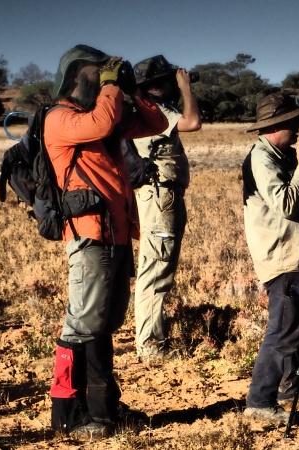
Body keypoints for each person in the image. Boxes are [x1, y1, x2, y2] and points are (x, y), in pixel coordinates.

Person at [45, 44, 168, 440]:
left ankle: (103, 408)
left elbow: (156, 122)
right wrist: (113, 87)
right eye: (98, 73)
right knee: (83, 325)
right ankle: (70, 413)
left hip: (115, 236)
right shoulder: (60, 118)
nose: (104, 79)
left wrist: (131, 90)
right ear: (79, 74)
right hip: (88, 237)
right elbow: (99, 125)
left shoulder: (106, 112)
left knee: (104, 323)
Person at [241, 92, 299, 425]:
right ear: (277, 125)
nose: (298, 130)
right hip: (282, 259)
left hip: (298, 255)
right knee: (283, 333)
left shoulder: (279, 152)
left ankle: (288, 389)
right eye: (294, 123)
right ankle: (260, 401)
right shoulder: (262, 159)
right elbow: (286, 203)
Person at [130, 55, 202, 360]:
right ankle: (150, 345)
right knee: (156, 272)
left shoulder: (148, 108)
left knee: (158, 269)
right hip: (160, 197)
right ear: (156, 86)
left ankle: (150, 338)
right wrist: (186, 88)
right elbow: (193, 121)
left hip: (161, 197)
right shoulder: (151, 110)